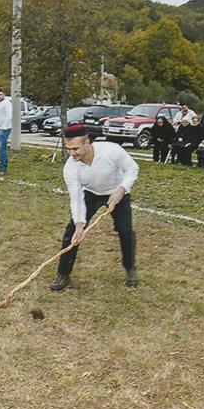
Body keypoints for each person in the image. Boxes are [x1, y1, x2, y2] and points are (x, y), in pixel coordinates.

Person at [50, 124, 139, 291]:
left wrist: (121, 191)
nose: (71, 153)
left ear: (87, 142)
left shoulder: (111, 150)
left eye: (75, 148)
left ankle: (130, 268)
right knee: (72, 233)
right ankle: (63, 273)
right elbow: (76, 197)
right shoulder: (71, 167)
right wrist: (79, 224)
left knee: (125, 231)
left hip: (117, 191)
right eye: (68, 149)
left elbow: (132, 169)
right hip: (90, 193)